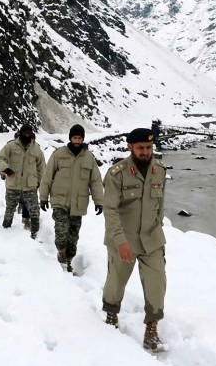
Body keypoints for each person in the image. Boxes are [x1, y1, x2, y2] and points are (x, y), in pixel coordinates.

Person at [100, 127, 168, 353]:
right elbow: (110, 210)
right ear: (130, 147)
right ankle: (111, 313)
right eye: (141, 147)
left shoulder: (159, 170)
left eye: (149, 147)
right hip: (124, 239)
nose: (146, 151)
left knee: (157, 283)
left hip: (152, 239)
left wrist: (158, 229)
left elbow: (160, 206)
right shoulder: (116, 173)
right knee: (116, 281)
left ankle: (152, 328)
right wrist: (120, 242)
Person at [39, 124, 103, 273]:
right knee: (61, 231)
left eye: (79, 138)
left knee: (73, 237)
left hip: (78, 204)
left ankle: (68, 260)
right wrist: (43, 197)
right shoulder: (59, 154)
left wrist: (99, 201)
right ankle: (61, 254)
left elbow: (96, 181)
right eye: (74, 137)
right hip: (59, 201)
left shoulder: (89, 158)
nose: (77, 140)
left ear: (82, 139)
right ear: (70, 138)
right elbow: (47, 177)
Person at [0, 124, 45, 239]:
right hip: (13, 185)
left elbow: (41, 167)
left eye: (29, 132)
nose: (27, 135)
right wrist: (6, 169)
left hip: (30, 186)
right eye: (25, 132)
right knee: (9, 210)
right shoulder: (11, 146)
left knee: (35, 211)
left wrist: (41, 183)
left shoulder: (36, 148)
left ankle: (35, 234)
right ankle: (5, 232)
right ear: (20, 133)